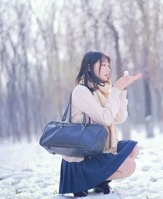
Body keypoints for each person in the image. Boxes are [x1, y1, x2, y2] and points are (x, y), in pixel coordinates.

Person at [59, 51, 142, 197]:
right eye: (103, 65)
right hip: (81, 160)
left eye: (108, 65)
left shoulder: (102, 91)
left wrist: (121, 91)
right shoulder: (81, 91)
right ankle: (90, 181)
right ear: (89, 67)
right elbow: (105, 118)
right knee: (130, 166)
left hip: (97, 150)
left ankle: (98, 180)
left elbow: (120, 117)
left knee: (133, 149)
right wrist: (115, 90)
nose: (108, 69)